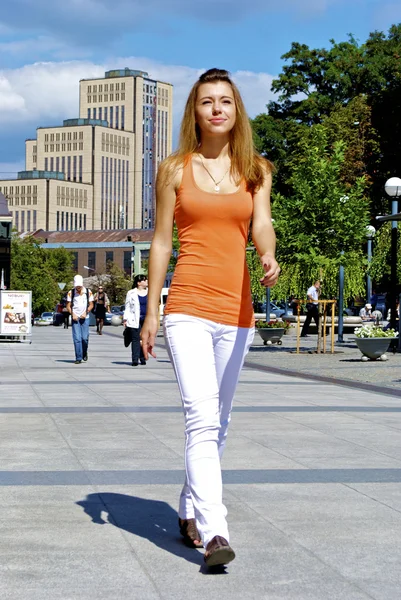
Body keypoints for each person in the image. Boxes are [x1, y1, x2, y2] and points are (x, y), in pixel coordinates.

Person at [140, 68, 280, 568]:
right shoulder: (174, 169)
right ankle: (215, 531)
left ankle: (186, 509)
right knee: (200, 416)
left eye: (226, 100)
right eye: (207, 102)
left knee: (217, 423)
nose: (217, 108)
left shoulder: (256, 170)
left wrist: (268, 255)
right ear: (194, 113)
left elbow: (261, 225)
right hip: (188, 309)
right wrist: (151, 311)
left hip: (237, 310)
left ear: (236, 110)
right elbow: (161, 242)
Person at [66, 275, 94, 364]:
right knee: (77, 338)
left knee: (84, 338)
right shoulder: (71, 293)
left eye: (79, 286)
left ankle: (84, 352)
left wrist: (86, 312)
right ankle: (78, 357)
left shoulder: (88, 292)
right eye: (76, 286)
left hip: (85, 317)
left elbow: (91, 304)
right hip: (75, 318)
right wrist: (72, 313)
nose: (78, 288)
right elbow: (68, 305)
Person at [123, 274, 148, 366]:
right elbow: (127, 306)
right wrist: (125, 319)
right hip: (134, 319)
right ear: (138, 283)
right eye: (144, 280)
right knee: (135, 339)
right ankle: (135, 359)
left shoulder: (150, 292)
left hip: (146, 319)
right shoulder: (131, 293)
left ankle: (142, 357)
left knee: (144, 339)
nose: (146, 282)